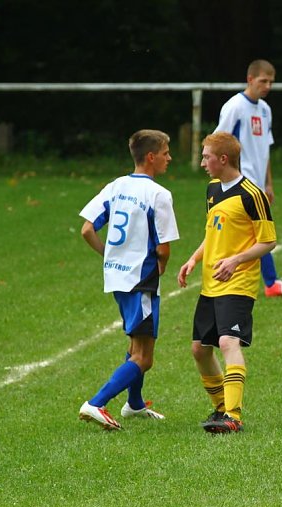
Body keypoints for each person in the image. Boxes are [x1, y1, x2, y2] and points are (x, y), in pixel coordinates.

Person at [78, 129, 179, 430]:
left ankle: (134, 404)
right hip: (142, 280)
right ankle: (95, 403)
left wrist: (110, 257)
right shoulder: (159, 194)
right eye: (166, 152)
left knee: (136, 344)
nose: (169, 158)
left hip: (117, 278)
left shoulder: (115, 186)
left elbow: (86, 229)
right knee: (144, 358)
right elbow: (163, 248)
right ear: (151, 157)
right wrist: (160, 266)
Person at [177, 132, 277, 433]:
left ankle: (233, 415)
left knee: (227, 342)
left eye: (206, 156)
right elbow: (213, 232)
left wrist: (236, 260)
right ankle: (221, 408)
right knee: (199, 349)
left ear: (223, 159)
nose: (202, 161)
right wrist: (194, 259)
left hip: (238, 282)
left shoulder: (252, 194)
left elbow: (268, 241)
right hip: (211, 283)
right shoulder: (212, 189)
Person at [215, 58, 282, 298]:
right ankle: (270, 283)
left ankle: (232, 273)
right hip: (240, 182)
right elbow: (218, 142)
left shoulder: (265, 109)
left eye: (271, 82)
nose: (267, 86)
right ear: (250, 79)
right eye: (263, 81)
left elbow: (265, 149)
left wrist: (268, 183)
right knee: (259, 231)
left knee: (251, 231)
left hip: (258, 183)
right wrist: (227, 177)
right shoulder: (235, 107)